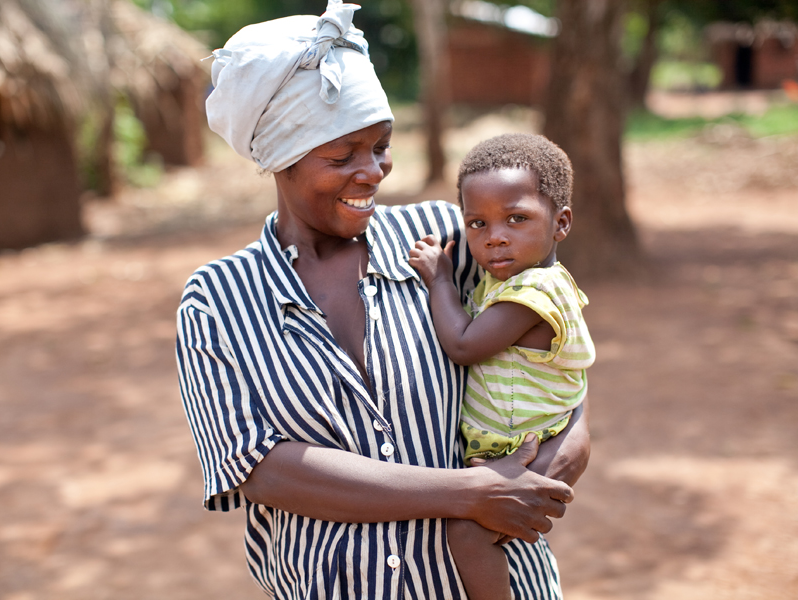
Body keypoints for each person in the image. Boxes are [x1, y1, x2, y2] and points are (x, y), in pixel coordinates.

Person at [176, 2, 590, 598]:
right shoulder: (219, 301)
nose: (372, 172)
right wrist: (471, 494)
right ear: (278, 159)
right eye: (342, 156)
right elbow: (263, 470)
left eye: (381, 146)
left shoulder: (445, 240)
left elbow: (552, 342)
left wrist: (545, 470)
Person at [408, 133, 596, 600]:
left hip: (534, 447)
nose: (495, 237)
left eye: (517, 218)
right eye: (477, 223)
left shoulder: (535, 294)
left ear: (561, 223)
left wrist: (439, 280)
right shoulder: (511, 279)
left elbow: (464, 345)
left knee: (469, 534)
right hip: (518, 442)